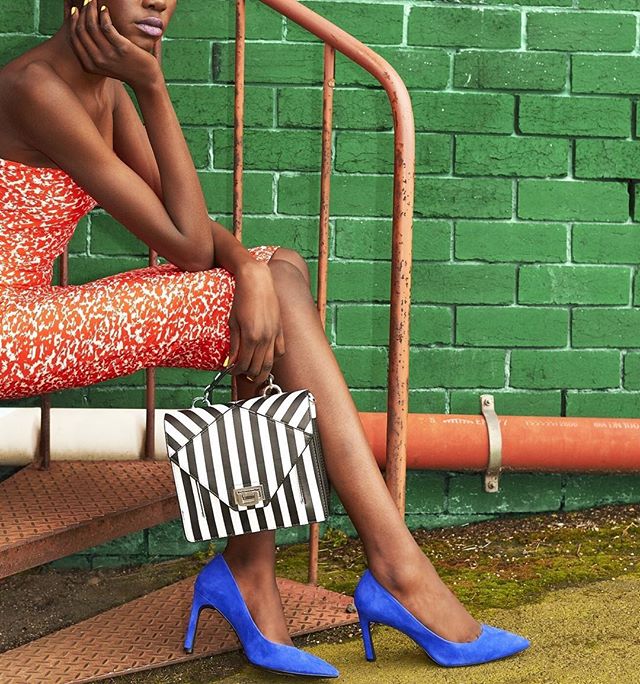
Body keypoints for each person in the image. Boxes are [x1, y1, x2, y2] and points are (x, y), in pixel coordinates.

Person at [0, 0, 530, 677]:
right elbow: (188, 245)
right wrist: (154, 85)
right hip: (11, 330)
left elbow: (183, 221)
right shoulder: (36, 88)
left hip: (32, 312)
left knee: (279, 273)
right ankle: (387, 570)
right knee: (265, 288)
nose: (159, 2)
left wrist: (248, 267)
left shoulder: (104, 87)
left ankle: (254, 570)